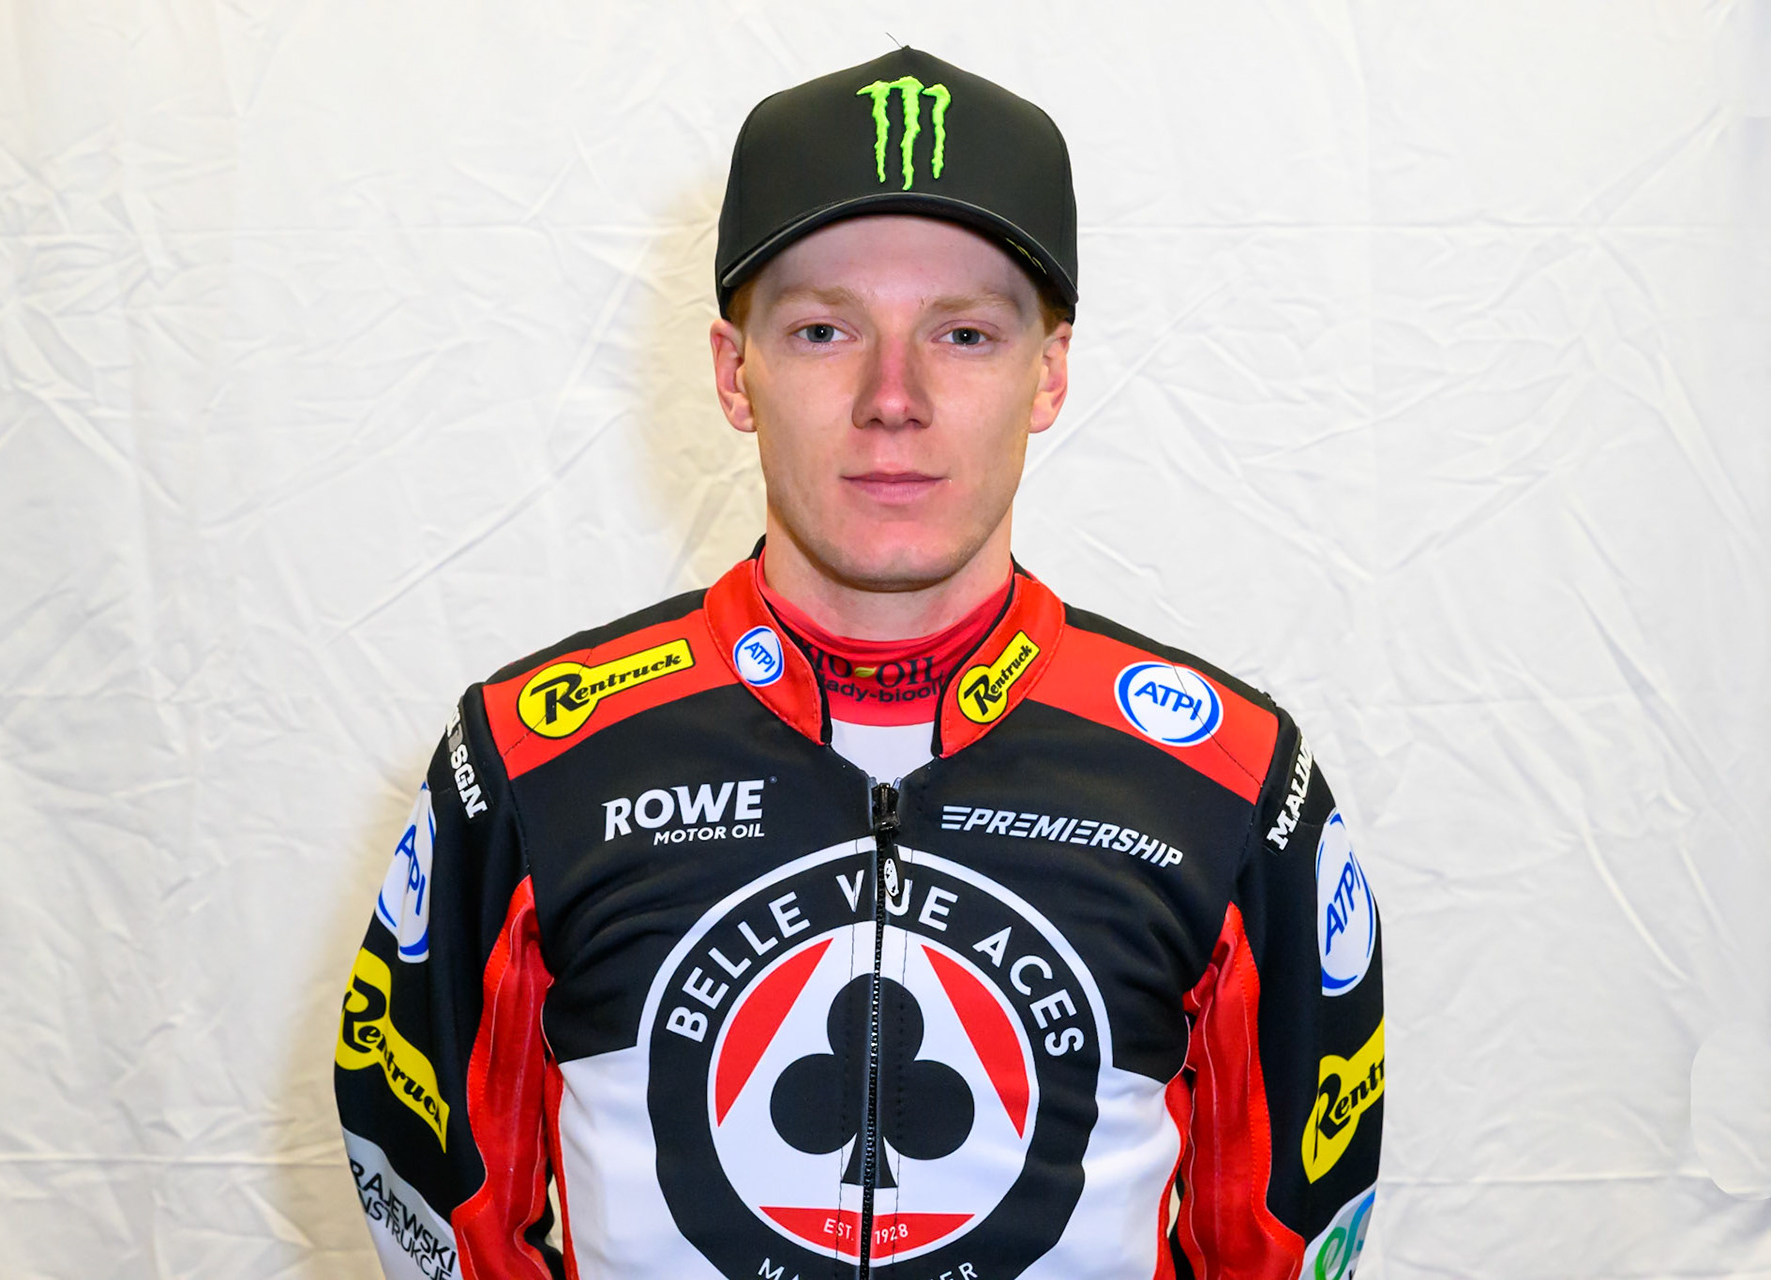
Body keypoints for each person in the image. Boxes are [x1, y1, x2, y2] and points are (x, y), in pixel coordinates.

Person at [335, 46, 1382, 1280]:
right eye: (827, 329)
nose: (896, 396)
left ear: (1049, 372)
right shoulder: (529, 756)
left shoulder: (1231, 778)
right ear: (736, 372)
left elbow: (1288, 1232)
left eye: (968, 334)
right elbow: (430, 1187)